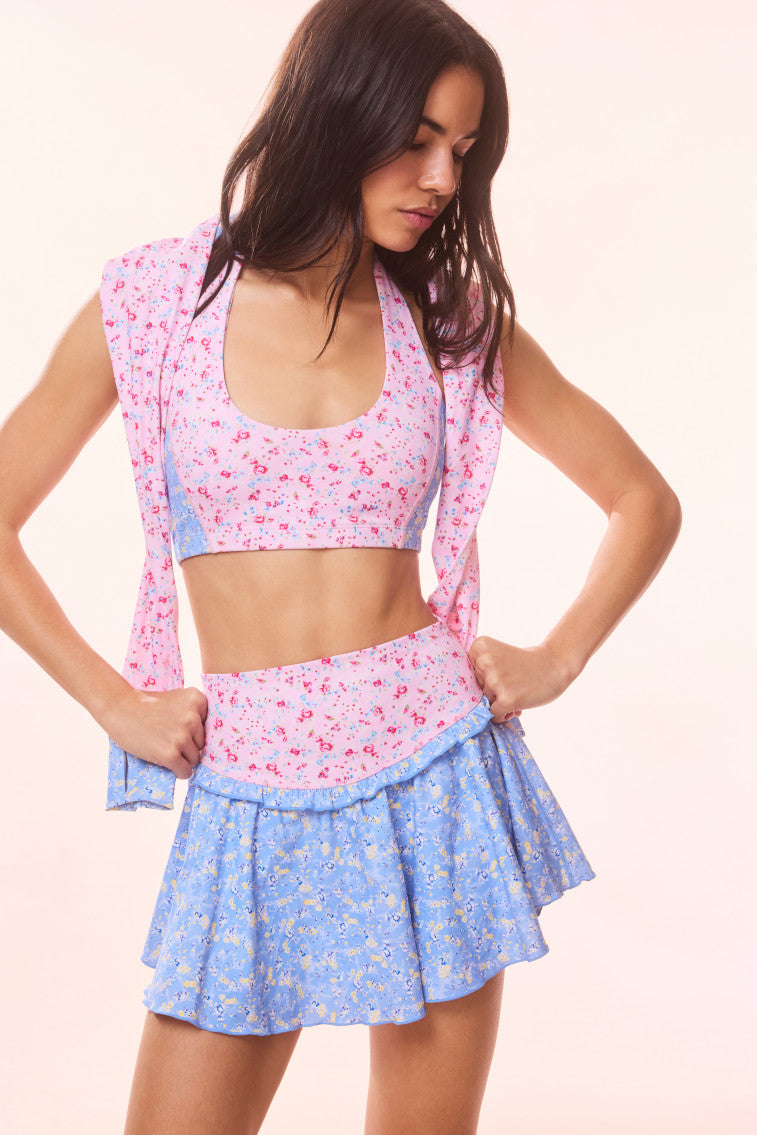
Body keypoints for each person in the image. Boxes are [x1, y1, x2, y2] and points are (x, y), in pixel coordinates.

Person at [0, 0, 681, 1132]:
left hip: (434, 768)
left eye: (462, 150)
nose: (441, 178)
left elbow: (642, 500)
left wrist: (557, 656)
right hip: (249, 784)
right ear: (334, 114)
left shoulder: (450, 321)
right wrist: (113, 700)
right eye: (416, 139)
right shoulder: (157, 300)